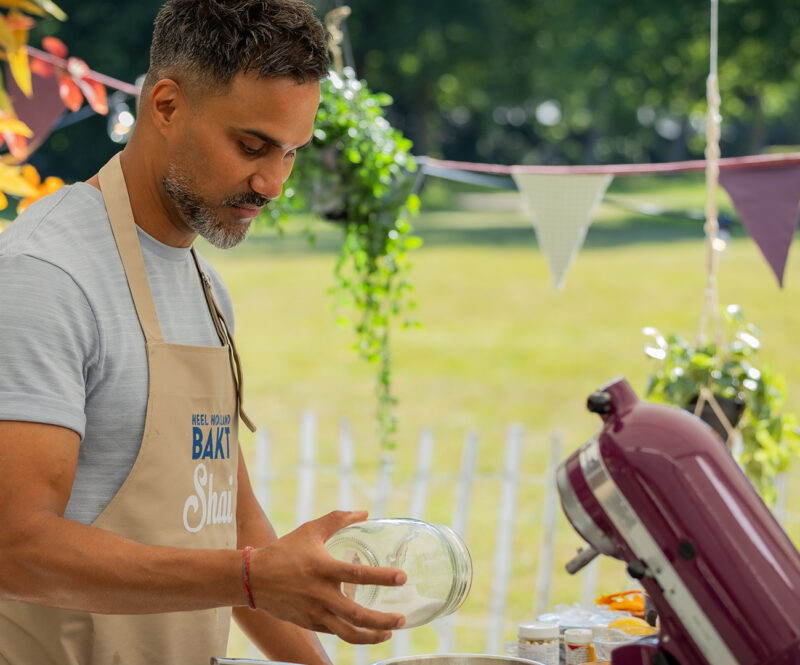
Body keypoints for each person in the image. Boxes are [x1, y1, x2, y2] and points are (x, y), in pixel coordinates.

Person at [0, 1, 407, 663]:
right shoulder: (46, 279)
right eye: (251, 146)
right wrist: (249, 577)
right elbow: (14, 547)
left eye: (290, 153)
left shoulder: (205, 290)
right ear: (165, 105)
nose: (272, 183)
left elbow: (229, 519)